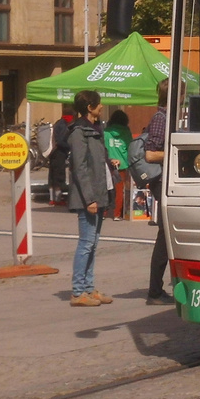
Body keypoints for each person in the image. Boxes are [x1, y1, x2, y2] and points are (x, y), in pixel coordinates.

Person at [67, 90, 114, 307]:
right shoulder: (79, 132)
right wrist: (89, 199)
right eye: (99, 103)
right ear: (89, 107)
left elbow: (95, 161)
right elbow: (80, 168)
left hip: (99, 192)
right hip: (89, 196)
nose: (102, 106)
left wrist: (108, 163)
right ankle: (78, 292)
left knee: (93, 243)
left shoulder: (96, 129)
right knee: (86, 243)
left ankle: (88, 287)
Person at [142, 79, 172, 305]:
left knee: (167, 234)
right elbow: (151, 154)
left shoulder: (168, 117)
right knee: (165, 235)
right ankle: (154, 291)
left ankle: (158, 288)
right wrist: (177, 152)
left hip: (167, 180)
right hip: (161, 181)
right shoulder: (160, 119)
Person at [103, 109, 133, 219]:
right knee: (119, 190)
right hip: (122, 165)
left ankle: (104, 212)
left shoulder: (106, 132)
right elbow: (130, 147)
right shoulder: (126, 132)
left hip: (108, 163)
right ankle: (117, 214)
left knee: (106, 188)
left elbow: (103, 148)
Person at [48, 107, 74, 206]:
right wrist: (69, 146)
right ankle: (57, 199)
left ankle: (52, 198)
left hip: (53, 152)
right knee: (59, 176)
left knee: (53, 175)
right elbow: (60, 140)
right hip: (59, 152)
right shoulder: (63, 125)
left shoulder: (58, 123)